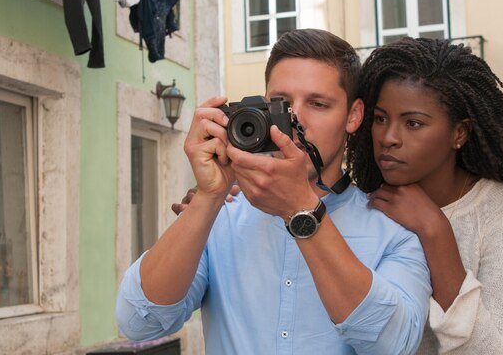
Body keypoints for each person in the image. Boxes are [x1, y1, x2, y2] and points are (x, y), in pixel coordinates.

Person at [116, 29, 432, 354]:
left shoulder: (395, 231)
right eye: (281, 104)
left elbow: (397, 345)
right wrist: (209, 197)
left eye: (319, 104)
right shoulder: (221, 214)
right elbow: (139, 323)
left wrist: (302, 211)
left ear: (353, 115)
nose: (295, 121)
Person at [346, 37, 503, 354]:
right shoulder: (361, 206)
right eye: (380, 118)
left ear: (459, 133)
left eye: (413, 123)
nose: (388, 138)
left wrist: (435, 231)